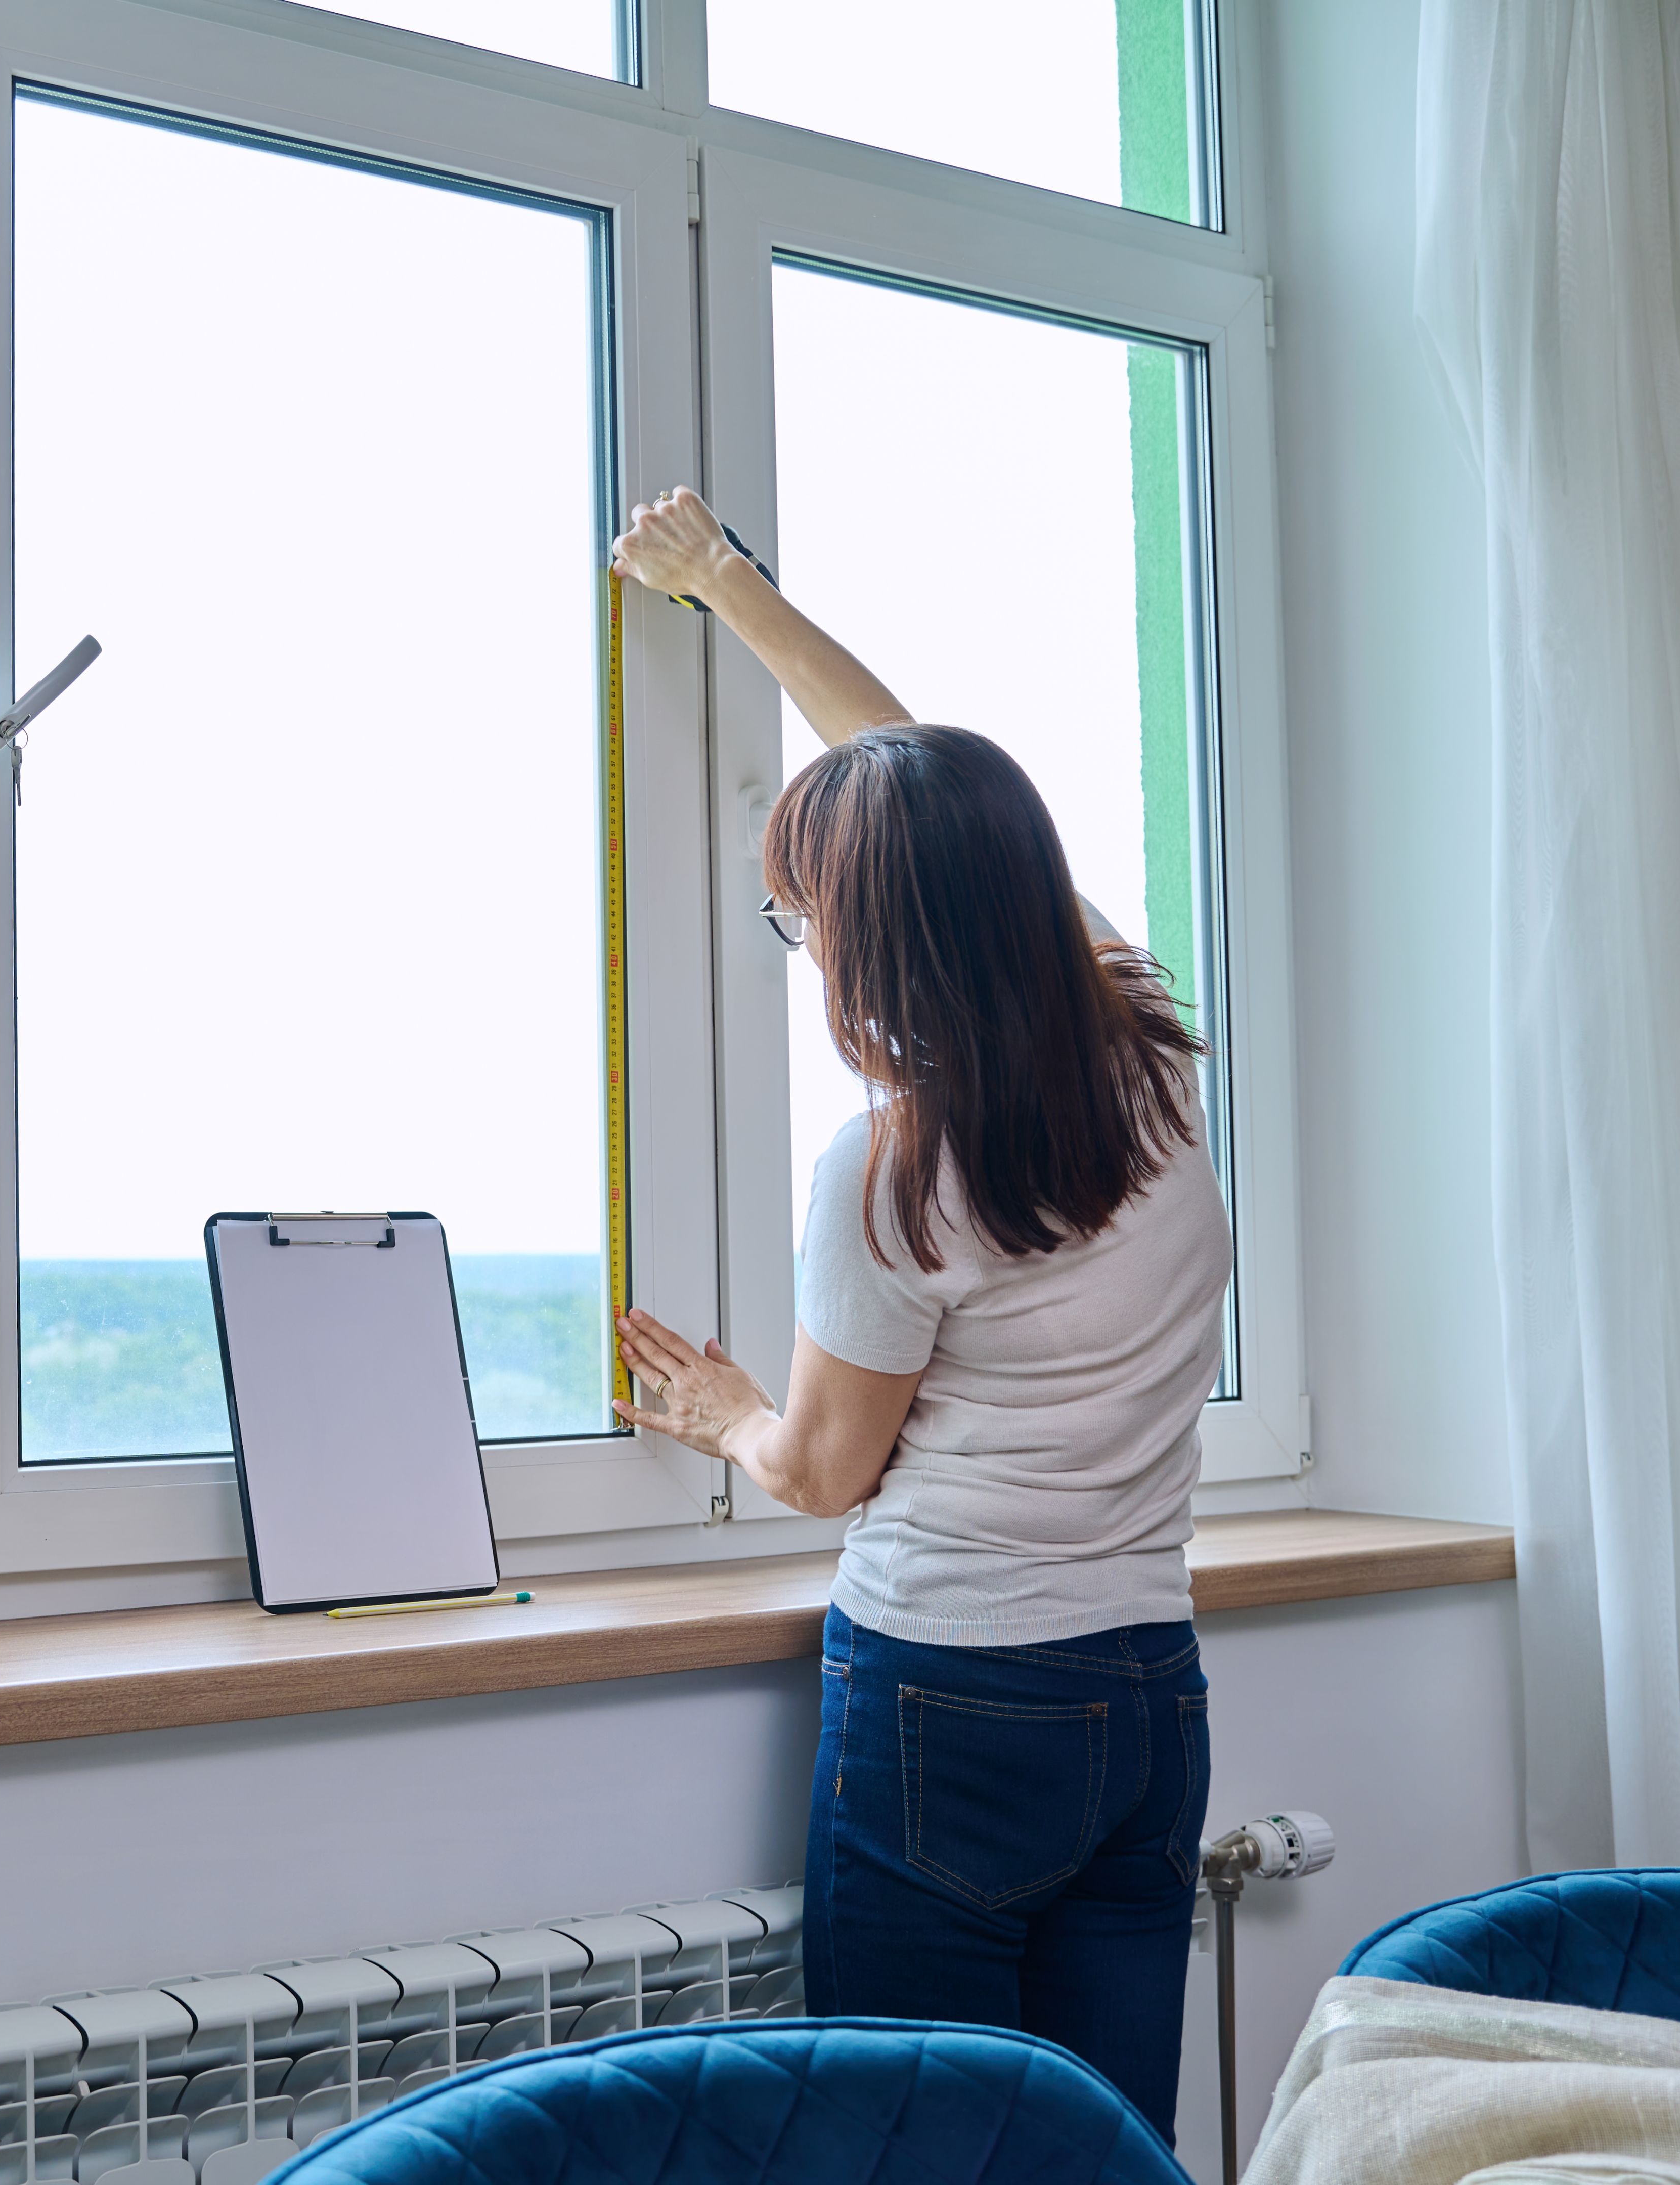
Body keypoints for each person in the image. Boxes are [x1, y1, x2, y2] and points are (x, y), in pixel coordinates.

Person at [606, 486, 1232, 2137]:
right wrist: (723, 585)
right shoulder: (1140, 1046)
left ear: (862, 941)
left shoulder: (890, 1173)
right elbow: (921, 780)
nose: (796, 939)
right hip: (1149, 1692)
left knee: (918, 2144)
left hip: (952, 1694)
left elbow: (820, 1471)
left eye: (794, 917)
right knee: (1101, 2144)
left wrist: (720, 1408)